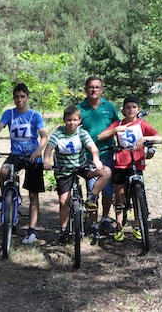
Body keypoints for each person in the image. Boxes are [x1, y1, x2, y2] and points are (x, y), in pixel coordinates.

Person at [0, 83, 48, 244]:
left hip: (32, 157)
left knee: (33, 194)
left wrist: (38, 150)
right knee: (4, 171)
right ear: (13, 98)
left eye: (22, 97)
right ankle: (4, 198)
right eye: (17, 97)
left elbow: (44, 137)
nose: (19, 100)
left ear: (27, 97)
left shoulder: (35, 116)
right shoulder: (9, 114)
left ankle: (31, 231)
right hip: (16, 155)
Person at [42, 105, 112, 244]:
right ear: (64, 120)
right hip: (64, 169)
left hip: (81, 165)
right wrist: (46, 161)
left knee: (106, 172)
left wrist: (96, 159)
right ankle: (64, 229)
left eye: (75, 120)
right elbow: (49, 148)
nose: (72, 123)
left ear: (79, 120)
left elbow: (92, 147)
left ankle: (91, 198)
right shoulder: (58, 133)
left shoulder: (82, 132)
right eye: (69, 120)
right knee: (63, 201)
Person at [98, 96, 162, 242]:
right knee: (119, 194)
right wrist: (115, 130)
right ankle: (119, 225)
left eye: (134, 107)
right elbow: (100, 136)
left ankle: (137, 225)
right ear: (123, 110)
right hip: (121, 163)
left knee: (138, 193)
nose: (131, 110)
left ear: (138, 109)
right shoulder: (119, 123)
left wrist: (145, 139)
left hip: (137, 162)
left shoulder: (142, 123)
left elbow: (159, 138)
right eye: (128, 107)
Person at [77, 76, 118, 238]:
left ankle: (105, 218)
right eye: (91, 87)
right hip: (88, 157)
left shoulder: (109, 107)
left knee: (108, 191)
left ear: (102, 89)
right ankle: (94, 224)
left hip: (107, 153)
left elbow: (117, 126)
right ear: (86, 89)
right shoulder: (80, 108)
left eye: (97, 87)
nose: (94, 90)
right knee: (92, 190)